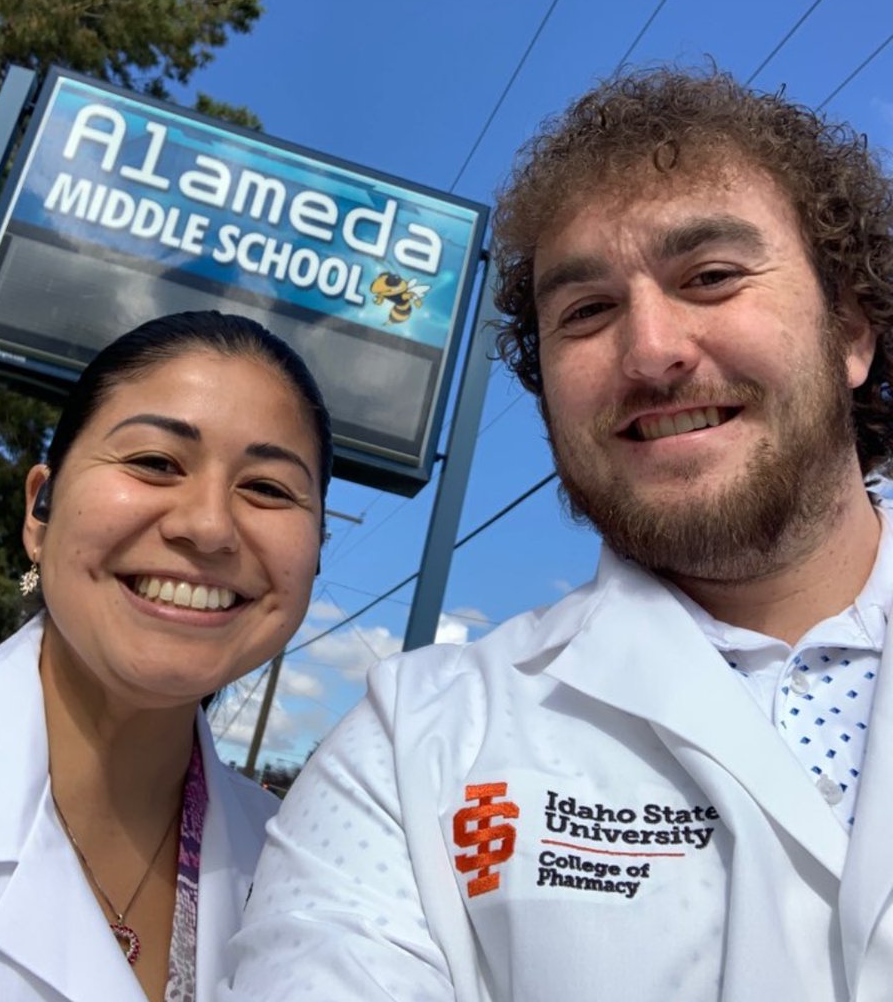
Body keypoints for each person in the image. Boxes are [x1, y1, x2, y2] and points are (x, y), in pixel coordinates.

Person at [225, 68, 893, 1001]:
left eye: (711, 277)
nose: (652, 350)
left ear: (853, 332)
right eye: (586, 312)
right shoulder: (412, 748)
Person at [0, 310, 332, 1002]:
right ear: (40, 511)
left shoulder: (312, 873)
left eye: (267, 488)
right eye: (154, 462)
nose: (208, 527)